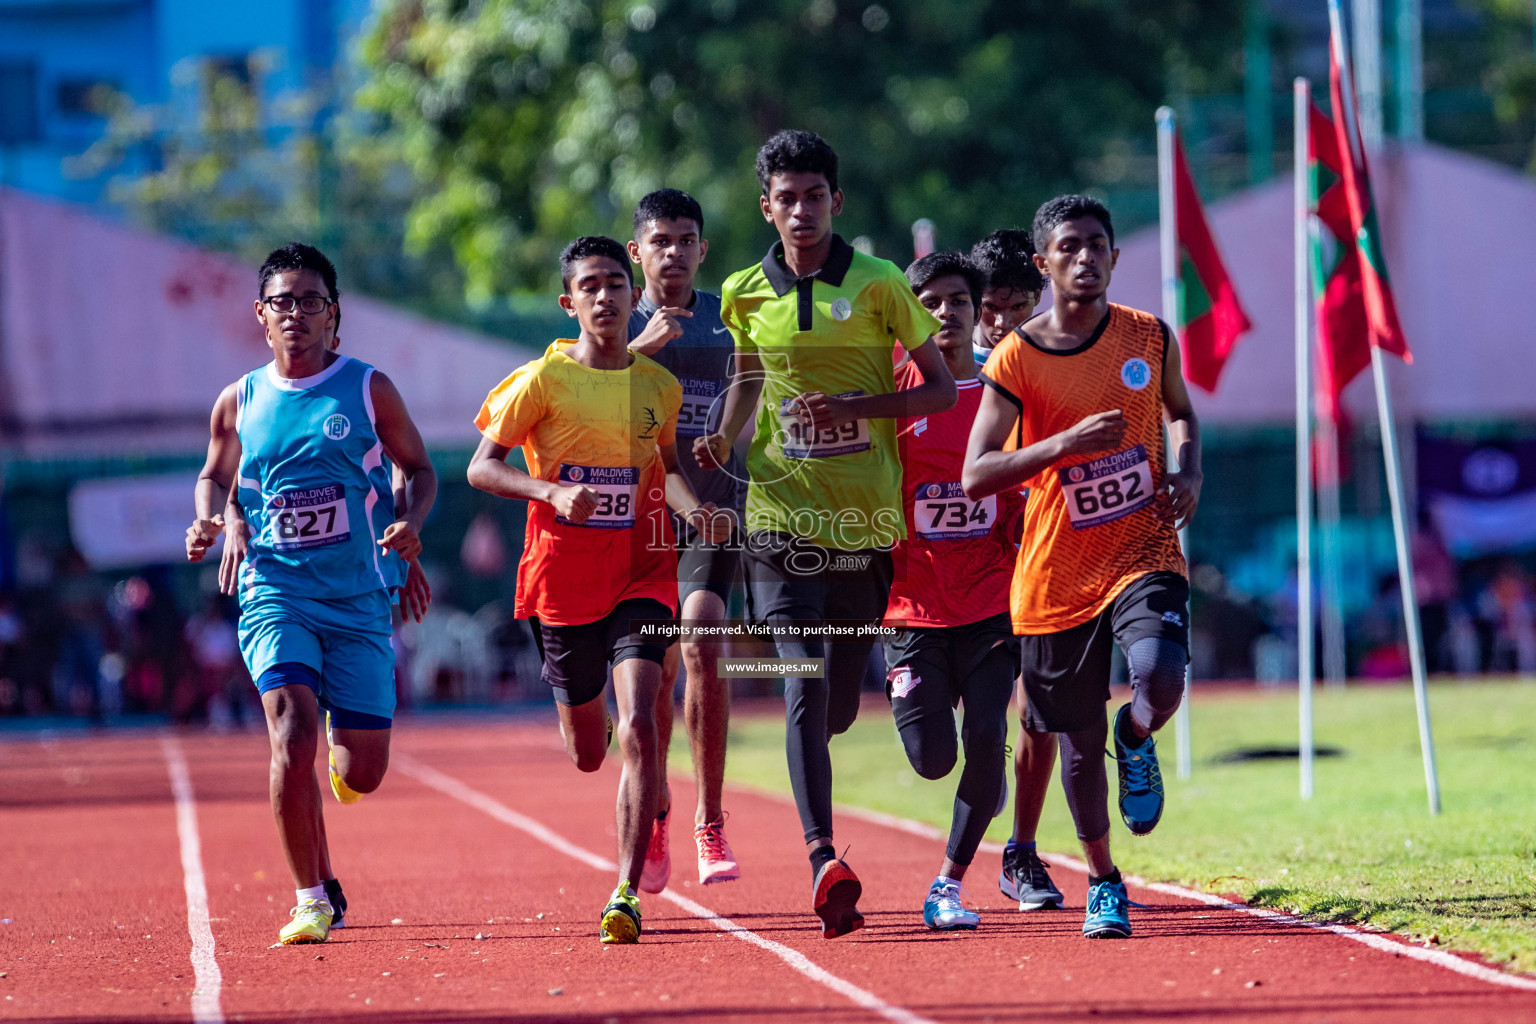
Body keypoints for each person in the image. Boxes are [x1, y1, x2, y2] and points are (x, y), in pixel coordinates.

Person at [696, 129, 956, 938]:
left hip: (865, 524)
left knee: (840, 698)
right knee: (799, 684)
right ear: (765, 206)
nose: (801, 210)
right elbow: (745, 382)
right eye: (786, 198)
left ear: (834, 202)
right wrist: (719, 432)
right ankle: (823, 859)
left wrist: (857, 412)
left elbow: (941, 392)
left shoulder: (879, 286)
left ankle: (832, 773)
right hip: (775, 520)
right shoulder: (742, 291)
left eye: (814, 196)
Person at [468, 235, 732, 944]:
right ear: (569, 301)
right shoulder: (540, 382)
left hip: (641, 577)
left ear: (630, 291)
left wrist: (693, 511)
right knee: (591, 750)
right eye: (591, 285)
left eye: (617, 283)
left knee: (644, 723)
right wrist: (549, 491)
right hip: (560, 584)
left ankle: (625, 891)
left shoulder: (657, 387)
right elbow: (481, 468)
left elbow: (667, 468)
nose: (607, 296)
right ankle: (626, 768)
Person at [963, 194, 1202, 939]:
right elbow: (977, 471)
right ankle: (1103, 879)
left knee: (1161, 675)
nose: (1086, 256)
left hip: (1143, 551)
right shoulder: (1016, 356)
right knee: (1072, 742)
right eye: (1069, 246)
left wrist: (1188, 469)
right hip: (1055, 575)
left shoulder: (1147, 335)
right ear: (1043, 263)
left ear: (1114, 255)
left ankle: (1137, 732)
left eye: (1098, 244)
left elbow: (1181, 414)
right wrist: (1063, 447)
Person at [186, 242, 438, 945]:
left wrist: (409, 527)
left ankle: (337, 755)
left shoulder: (368, 389)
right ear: (260, 315)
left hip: (357, 600)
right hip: (275, 592)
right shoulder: (239, 399)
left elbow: (419, 470)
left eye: (311, 301)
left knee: (363, 772)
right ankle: (310, 897)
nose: (296, 313)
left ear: (336, 316)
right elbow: (214, 474)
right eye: (282, 301)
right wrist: (215, 517)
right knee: (290, 732)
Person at [881, 252, 1025, 930]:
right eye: (929, 302)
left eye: (957, 300)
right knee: (934, 759)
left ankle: (948, 883)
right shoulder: (893, 394)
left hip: (994, 600)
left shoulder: (1007, 393)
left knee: (989, 732)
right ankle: (967, 770)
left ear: (976, 310)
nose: (945, 312)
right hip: (913, 607)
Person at [626, 189, 747, 889]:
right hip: (637, 518)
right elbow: (577, 398)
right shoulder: (614, 323)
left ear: (703, 250)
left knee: (703, 638)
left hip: (714, 508)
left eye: (686, 240)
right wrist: (636, 350)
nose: (674, 252)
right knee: (653, 677)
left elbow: (764, 383)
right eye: (660, 240)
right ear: (638, 250)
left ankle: (710, 819)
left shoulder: (730, 323)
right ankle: (659, 808)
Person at [971, 229, 1065, 913]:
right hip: (956, 576)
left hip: (1041, 563)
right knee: (970, 731)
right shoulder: (946, 369)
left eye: (1018, 304)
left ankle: (1022, 851)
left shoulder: (1061, 362)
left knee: (1041, 710)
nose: (1003, 320)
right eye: (991, 307)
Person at [970, 229, 1044, 367]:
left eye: (1017, 307)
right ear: (974, 299)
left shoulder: (1056, 364)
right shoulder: (940, 368)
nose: (1002, 323)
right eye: (991, 307)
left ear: (1037, 296)